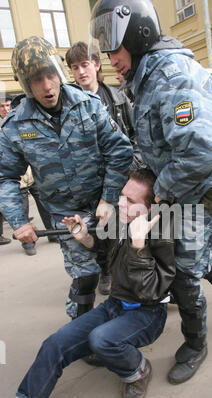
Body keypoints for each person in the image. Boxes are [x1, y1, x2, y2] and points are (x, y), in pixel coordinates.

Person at [89, 0, 212, 385]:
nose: (109, 57)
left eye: (114, 45)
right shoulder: (146, 77)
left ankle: (195, 344)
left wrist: (159, 190)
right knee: (201, 258)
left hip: (203, 189)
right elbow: (160, 143)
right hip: (186, 187)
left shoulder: (171, 76)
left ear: (138, 35)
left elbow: (201, 154)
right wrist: (143, 179)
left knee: (186, 270)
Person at [0, 169, 175, 398]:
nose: (120, 204)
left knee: (101, 340)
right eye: (121, 197)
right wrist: (84, 237)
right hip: (115, 305)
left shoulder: (161, 234)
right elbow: (104, 250)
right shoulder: (120, 223)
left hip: (147, 314)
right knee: (55, 343)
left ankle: (138, 372)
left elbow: (151, 292)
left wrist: (140, 246)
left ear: (150, 206)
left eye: (130, 200)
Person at [0, 36, 133, 322]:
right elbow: (5, 176)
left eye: (50, 75)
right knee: (85, 277)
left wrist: (109, 198)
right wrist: (19, 221)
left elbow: (119, 149)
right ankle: (81, 331)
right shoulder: (16, 125)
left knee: (120, 261)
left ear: (59, 72)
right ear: (25, 82)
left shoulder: (89, 105)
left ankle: (123, 317)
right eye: (37, 79)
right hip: (66, 215)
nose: (47, 86)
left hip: (103, 205)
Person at [65, 41, 143, 295]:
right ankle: (106, 270)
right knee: (97, 230)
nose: (81, 72)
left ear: (97, 65)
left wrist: (130, 170)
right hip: (87, 181)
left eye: (85, 64)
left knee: (125, 229)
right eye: (75, 67)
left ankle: (131, 274)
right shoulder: (68, 105)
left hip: (120, 177)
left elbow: (136, 138)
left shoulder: (119, 99)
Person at [0, 94, 13, 246]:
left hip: (27, 175)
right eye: (2, 106)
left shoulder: (18, 122)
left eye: (8, 105)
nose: (5, 109)